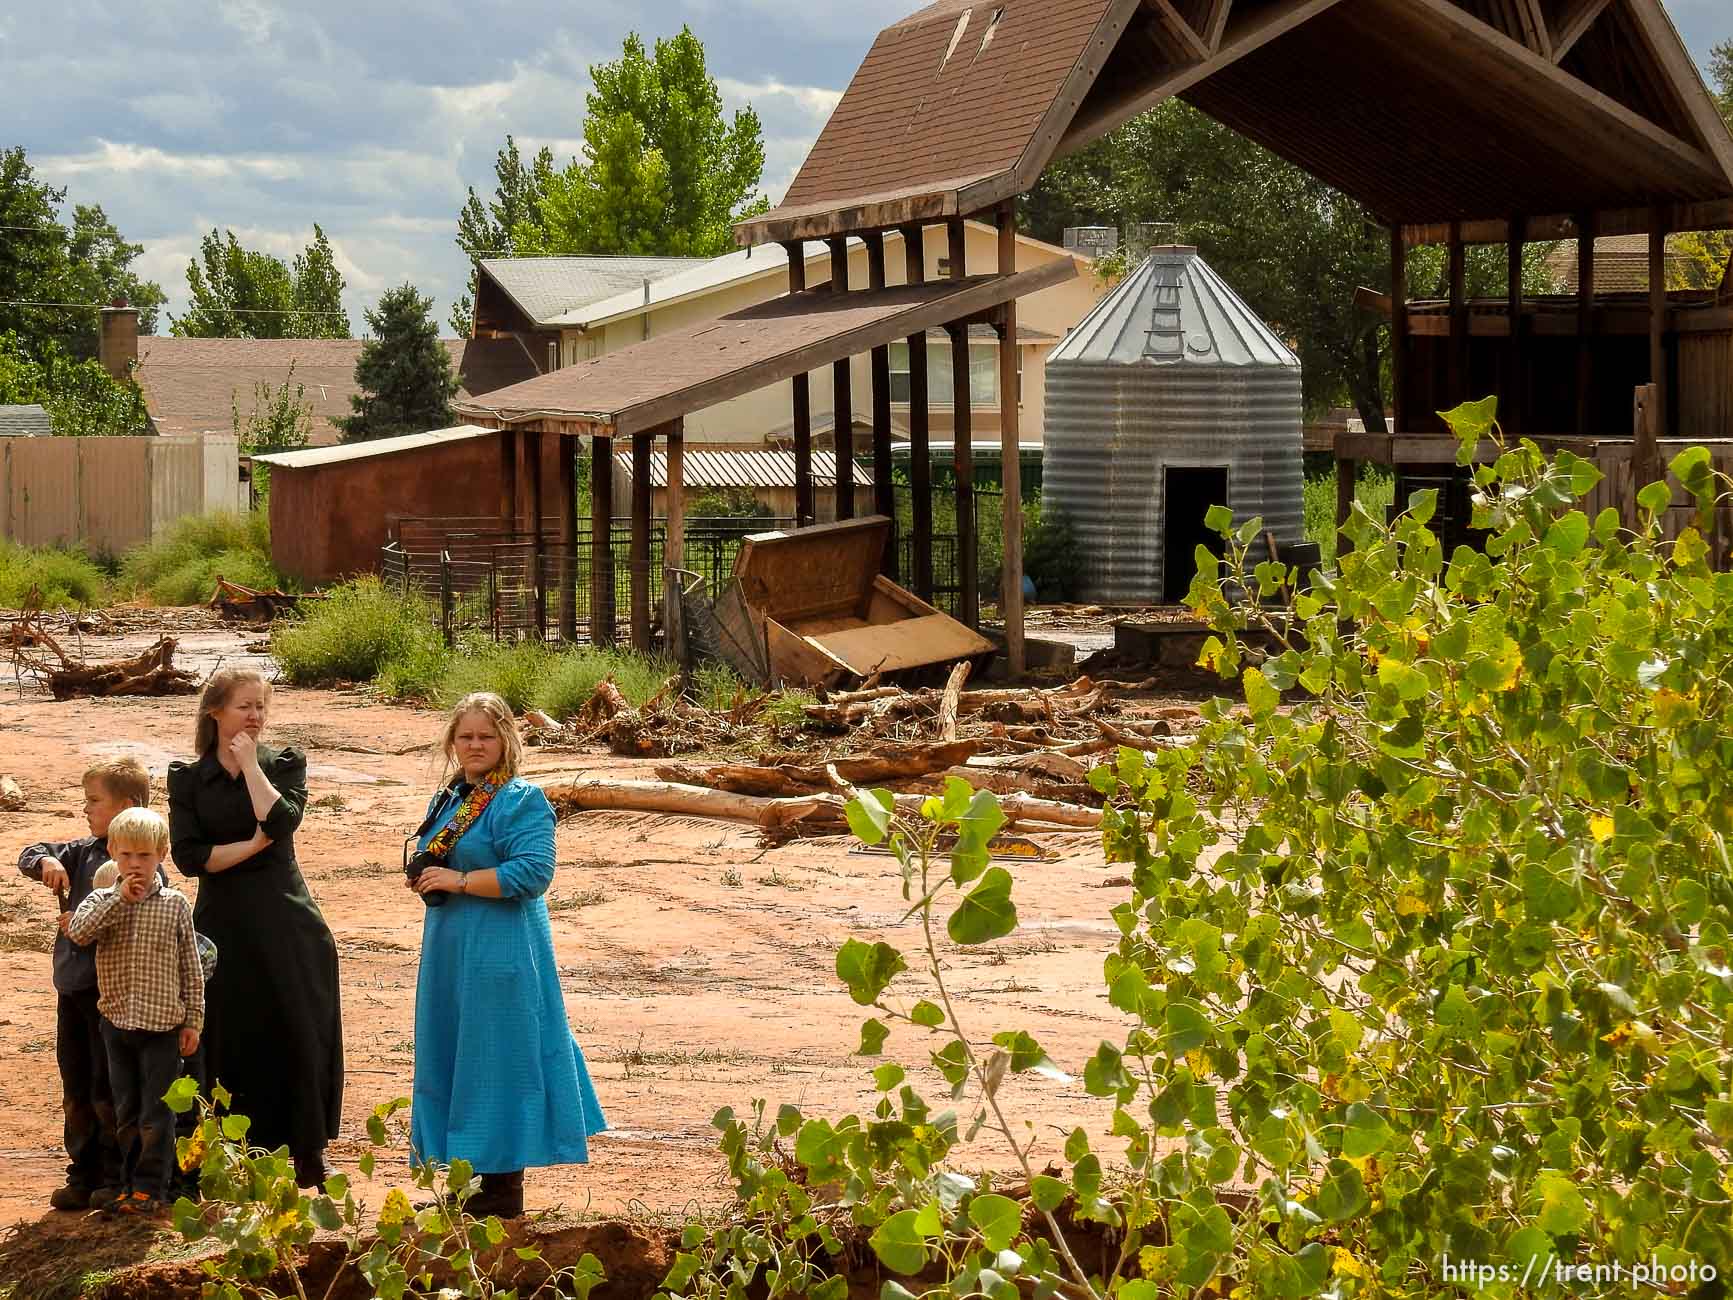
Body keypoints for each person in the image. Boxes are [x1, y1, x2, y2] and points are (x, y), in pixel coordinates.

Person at [406, 692, 606, 1218]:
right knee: (454, 1051)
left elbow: (533, 874)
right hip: (452, 950)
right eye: (466, 736)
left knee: (496, 1058)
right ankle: (467, 1177)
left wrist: (461, 880)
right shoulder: (452, 798)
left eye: (485, 736)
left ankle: (500, 1189)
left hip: (500, 952)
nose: (475, 745)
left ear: (506, 742)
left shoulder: (520, 800)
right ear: (453, 741)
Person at [166, 668, 343, 1189]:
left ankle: (307, 1151)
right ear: (215, 711)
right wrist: (251, 846)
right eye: (244, 706)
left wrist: (249, 765)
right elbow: (189, 857)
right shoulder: (187, 777)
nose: (255, 717)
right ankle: (225, 1152)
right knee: (225, 1035)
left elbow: (283, 821)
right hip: (221, 924)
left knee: (297, 1027)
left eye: (261, 707)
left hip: (285, 917)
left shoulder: (284, 764)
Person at [17, 757, 153, 1211]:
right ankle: (82, 1171)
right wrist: (46, 861)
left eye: (95, 801)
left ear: (127, 807)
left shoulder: (139, 868)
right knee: (75, 1085)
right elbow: (29, 852)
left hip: (112, 996)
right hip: (73, 990)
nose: (87, 810)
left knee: (108, 1088)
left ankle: (116, 1176)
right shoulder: (82, 851)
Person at [66, 808, 203, 1216]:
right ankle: (125, 1186)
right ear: (112, 852)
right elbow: (80, 932)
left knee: (155, 1114)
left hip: (162, 1027)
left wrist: (193, 1019)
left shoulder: (175, 905)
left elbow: (190, 966)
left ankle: (151, 1189)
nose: (134, 865)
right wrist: (118, 899)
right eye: (125, 856)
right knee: (125, 1112)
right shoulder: (101, 899)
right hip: (117, 1024)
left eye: (143, 856)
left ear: (161, 854)